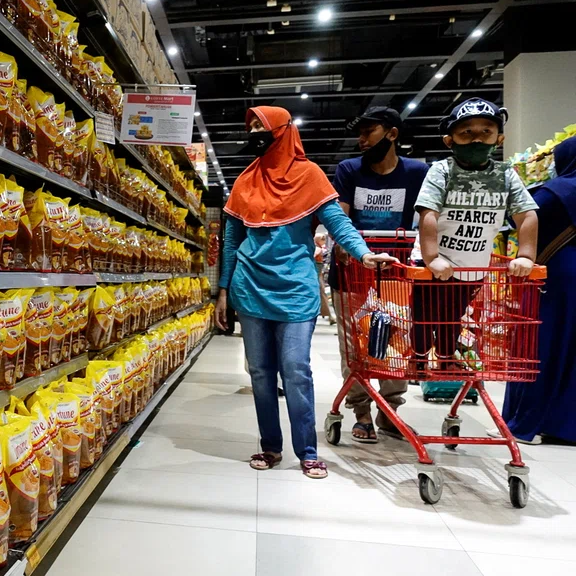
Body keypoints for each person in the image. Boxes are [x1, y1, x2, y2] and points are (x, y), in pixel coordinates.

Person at [215, 106, 396, 480]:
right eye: (251, 127)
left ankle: (307, 451)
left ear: (283, 131)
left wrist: (363, 253)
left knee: (296, 368)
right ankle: (270, 446)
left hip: (296, 289)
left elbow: (337, 222)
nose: (254, 134)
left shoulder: (309, 175)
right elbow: (231, 241)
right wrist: (223, 290)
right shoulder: (246, 180)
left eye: (261, 127)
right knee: (261, 373)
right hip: (249, 287)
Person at [411, 98, 538, 374]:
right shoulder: (442, 170)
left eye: (486, 132)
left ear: (499, 139)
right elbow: (428, 213)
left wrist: (526, 256)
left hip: (473, 266)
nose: (476, 139)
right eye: (466, 132)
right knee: (424, 316)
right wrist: (432, 257)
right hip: (432, 263)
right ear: (450, 140)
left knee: (453, 317)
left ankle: (445, 360)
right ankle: (418, 361)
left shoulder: (506, 175)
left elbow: (526, 214)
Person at [328, 107, 428, 443]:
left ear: (392, 134)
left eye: (368, 132)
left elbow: (429, 216)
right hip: (353, 273)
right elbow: (341, 216)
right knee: (355, 347)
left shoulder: (417, 172)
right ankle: (361, 412)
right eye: (360, 133)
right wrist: (344, 246)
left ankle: (390, 412)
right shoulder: (349, 170)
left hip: (396, 275)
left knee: (395, 345)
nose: (361, 139)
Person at [500, 136, 576, 444]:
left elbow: (522, 215)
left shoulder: (558, 190)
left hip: (555, 276)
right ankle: (564, 426)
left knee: (537, 347)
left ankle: (524, 422)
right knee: (570, 351)